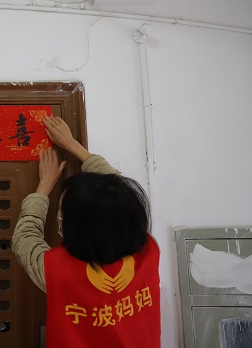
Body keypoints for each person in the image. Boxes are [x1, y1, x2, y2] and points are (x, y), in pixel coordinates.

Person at [12, 115, 160, 348]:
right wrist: (72, 145)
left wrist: (43, 187)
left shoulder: (57, 271)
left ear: (78, 229)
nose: (59, 217)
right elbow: (119, 194)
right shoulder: (148, 251)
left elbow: (24, 237)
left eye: (62, 212)